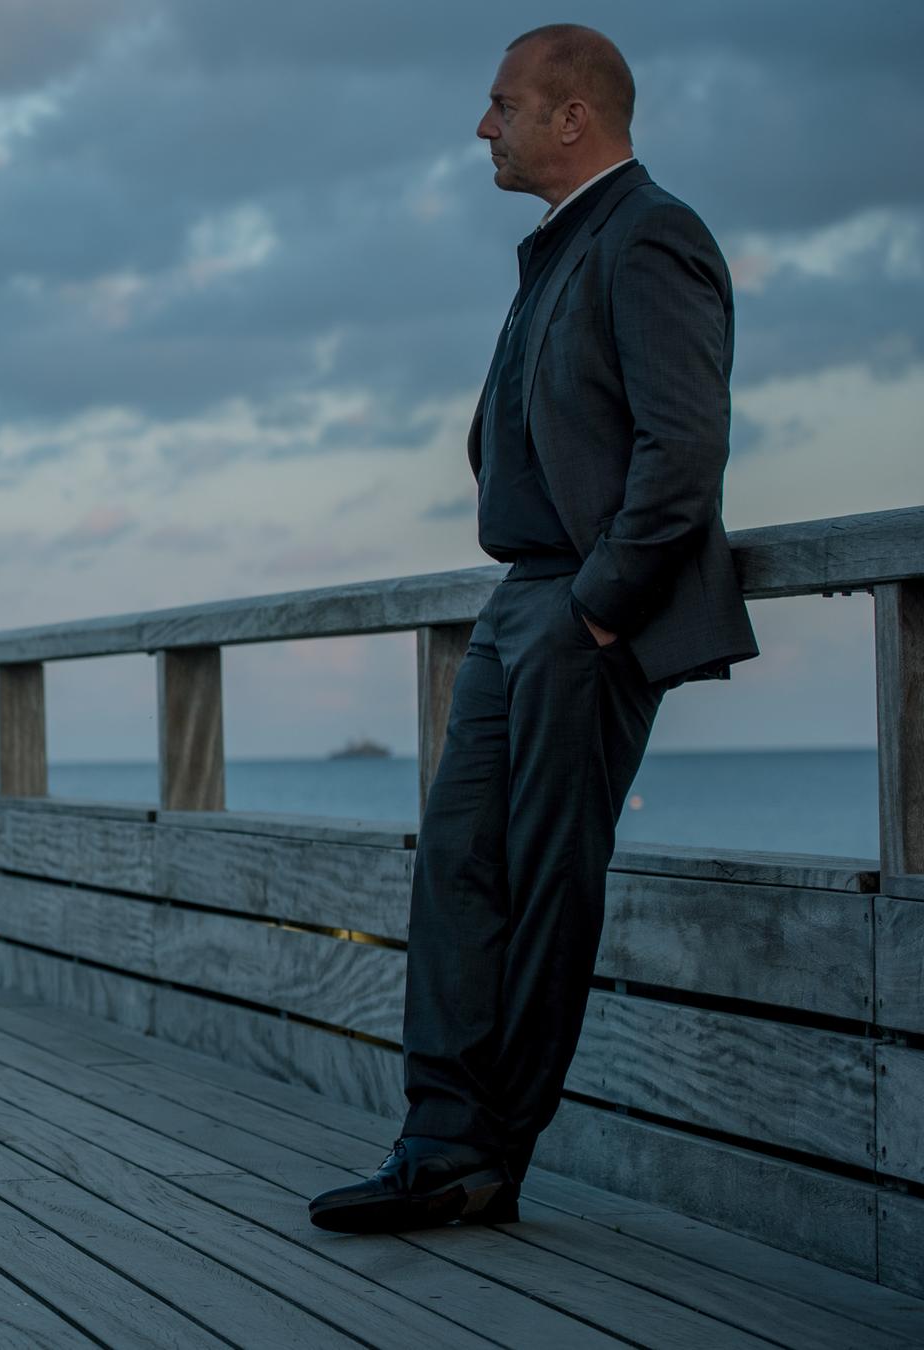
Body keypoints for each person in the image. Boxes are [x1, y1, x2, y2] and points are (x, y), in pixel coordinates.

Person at [309, 24, 757, 1234]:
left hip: (582, 609)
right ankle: (438, 1144)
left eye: (501, 104)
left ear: (573, 117)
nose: (480, 126)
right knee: (457, 870)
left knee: (548, 886)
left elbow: (685, 450)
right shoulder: (561, 250)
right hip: (521, 601)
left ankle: (488, 1158)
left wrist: (605, 605)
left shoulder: (650, 232)